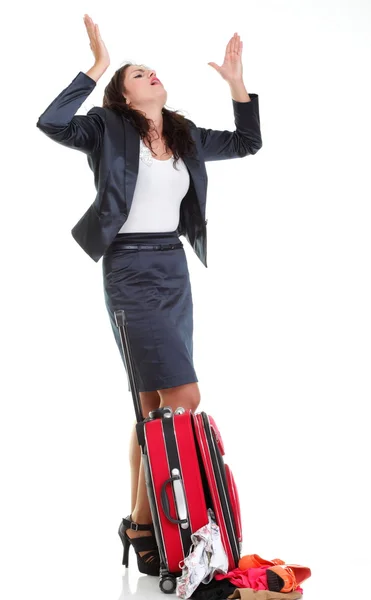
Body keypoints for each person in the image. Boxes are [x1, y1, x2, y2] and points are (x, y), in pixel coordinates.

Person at [36, 13, 262, 577]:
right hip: (129, 273)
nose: (151, 75)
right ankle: (143, 523)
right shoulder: (104, 127)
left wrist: (237, 84)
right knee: (181, 398)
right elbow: (51, 121)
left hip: (172, 267)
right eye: (139, 73)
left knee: (152, 409)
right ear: (123, 93)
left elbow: (247, 142)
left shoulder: (184, 134)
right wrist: (98, 67)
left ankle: (140, 525)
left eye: (152, 70)